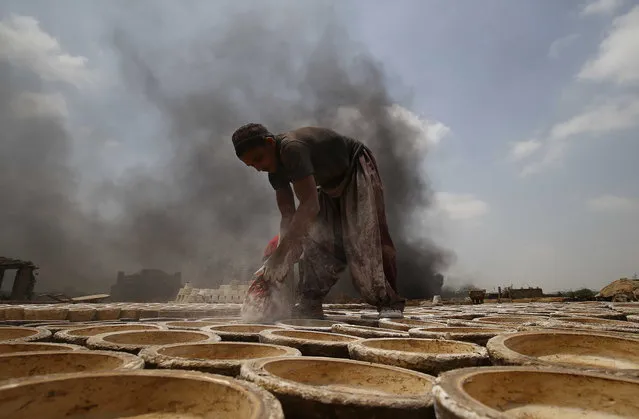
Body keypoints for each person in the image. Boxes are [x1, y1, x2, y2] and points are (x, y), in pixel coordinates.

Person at [233, 123, 405, 319]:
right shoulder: (274, 171)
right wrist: (280, 254)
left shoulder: (291, 148)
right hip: (329, 188)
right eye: (252, 165)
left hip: (354, 170)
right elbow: (288, 215)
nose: (258, 168)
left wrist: (280, 254)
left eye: (258, 159)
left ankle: (388, 303)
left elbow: (309, 206)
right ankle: (310, 303)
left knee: (366, 239)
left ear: (270, 143)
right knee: (318, 243)